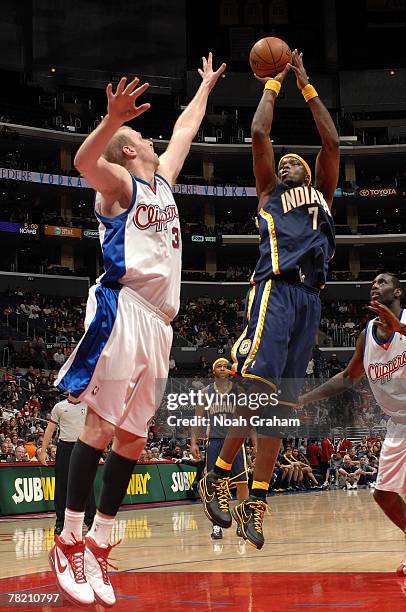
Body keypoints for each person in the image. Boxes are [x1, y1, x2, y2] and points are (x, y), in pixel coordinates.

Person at [49, 53, 226, 607]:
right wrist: (110, 120)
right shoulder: (119, 184)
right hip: (122, 307)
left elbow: (184, 131)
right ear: (129, 150)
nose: (154, 141)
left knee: (134, 438)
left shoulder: (163, 184)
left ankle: (100, 542)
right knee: (100, 427)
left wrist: (204, 88)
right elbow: (83, 163)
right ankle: (68, 539)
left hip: (160, 323)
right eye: (142, 136)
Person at [199, 48, 339, 550]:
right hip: (275, 291)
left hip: (312, 300)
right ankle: (216, 475)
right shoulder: (267, 193)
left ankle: (257, 499)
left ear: (311, 171)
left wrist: (308, 85)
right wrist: (274, 84)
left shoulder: (324, 189)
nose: (286, 162)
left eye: (293, 160)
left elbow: (330, 140)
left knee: (280, 410)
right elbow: (260, 134)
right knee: (255, 390)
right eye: (282, 162)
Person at [299, 273, 406, 575]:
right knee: (383, 494)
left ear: (398, 292)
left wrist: (400, 328)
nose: (375, 285)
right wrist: (305, 398)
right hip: (398, 425)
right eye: (373, 282)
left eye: (383, 281)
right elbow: (348, 377)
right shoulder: (366, 335)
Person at [190, 358, 252, 540]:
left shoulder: (238, 391)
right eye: (219, 366)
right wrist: (193, 442)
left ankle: (243, 522)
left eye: (226, 366)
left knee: (242, 483)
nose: (223, 368)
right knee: (214, 484)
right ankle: (217, 524)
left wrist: (255, 443)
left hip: (235, 441)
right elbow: (197, 419)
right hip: (215, 442)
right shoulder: (205, 392)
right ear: (213, 370)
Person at [39, 396, 96, 536]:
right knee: (62, 486)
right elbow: (50, 429)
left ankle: (91, 522)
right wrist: (43, 450)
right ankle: (61, 523)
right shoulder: (59, 406)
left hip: (84, 446)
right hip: (64, 447)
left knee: (87, 486)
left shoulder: (89, 405)